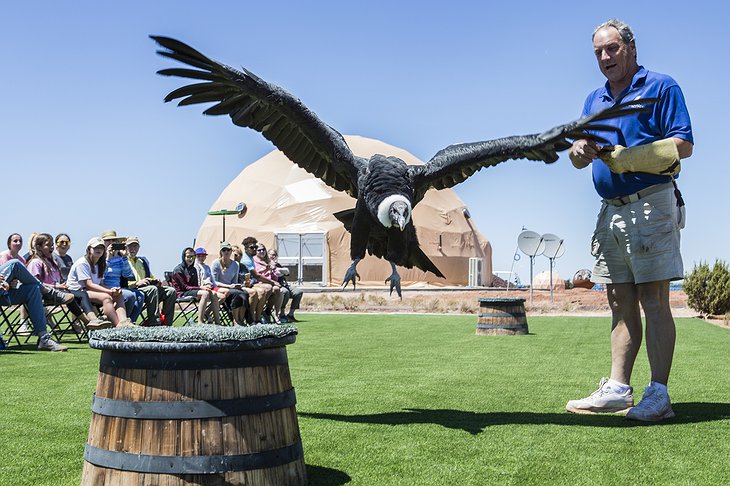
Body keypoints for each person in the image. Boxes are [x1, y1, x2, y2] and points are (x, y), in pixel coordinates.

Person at [566, 19, 693, 422]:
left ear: (631, 48)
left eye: (612, 49)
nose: (605, 58)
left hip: (651, 202)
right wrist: (579, 150)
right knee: (620, 304)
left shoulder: (661, 87)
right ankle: (619, 389)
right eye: (599, 53)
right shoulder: (594, 99)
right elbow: (577, 149)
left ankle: (659, 395)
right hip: (610, 211)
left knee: (654, 300)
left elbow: (683, 144)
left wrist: (629, 158)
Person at [26, 233, 111, 331]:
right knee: (80, 295)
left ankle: (91, 321)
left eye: (52, 245)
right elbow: (35, 283)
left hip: (59, 291)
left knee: (75, 296)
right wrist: (57, 287)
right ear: (38, 247)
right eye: (48, 245)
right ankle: (90, 321)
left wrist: (61, 285)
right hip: (45, 293)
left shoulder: (51, 262)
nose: (51, 247)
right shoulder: (36, 262)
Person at [0, 260, 68, 351]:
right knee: (15, 264)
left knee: (33, 289)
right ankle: (48, 292)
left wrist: (10, 281)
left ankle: (43, 339)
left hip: (4, 293)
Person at [66, 237, 133, 327]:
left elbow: (100, 284)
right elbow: (88, 285)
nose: (99, 250)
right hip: (78, 291)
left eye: (101, 248)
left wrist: (113, 289)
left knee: (118, 293)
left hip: (89, 290)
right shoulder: (82, 263)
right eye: (96, 248)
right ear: (89, 249)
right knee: (106, 297)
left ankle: (123, 321)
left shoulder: (100, 264)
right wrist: (109, 291)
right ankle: (117, 325)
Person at [125, 236, 177, 326]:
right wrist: (137, 283)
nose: (133, 249)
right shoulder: (123, 261)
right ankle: (154, 323)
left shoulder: (142, 261)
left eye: (135, 246)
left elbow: (151, 277)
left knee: (171, 291)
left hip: (147, 288)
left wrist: (156, 281)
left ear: (138, 248)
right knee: (152, 289)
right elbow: (121, 280)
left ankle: (167, 323)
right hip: (132, 288)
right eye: (130, 246)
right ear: (126, 247)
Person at [100, 230, 144, 323]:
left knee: (140, 295)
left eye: (113, 241)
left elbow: (126, 274)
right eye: (108, 241)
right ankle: (121, 321)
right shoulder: (100, 258)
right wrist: (108, 258)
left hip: (118, 288)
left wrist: (124, 257)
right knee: (129, 295)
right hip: (105, 288)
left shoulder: (119, 258)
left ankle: (130, 321)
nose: (111, 243)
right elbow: (101, 276)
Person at [171, 247, 221, 325]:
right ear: (184, 257)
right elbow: (185, 287)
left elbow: (195, 285)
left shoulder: (193, 269)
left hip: (191, 291)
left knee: (213, 293)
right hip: (181, 293)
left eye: (193, 257)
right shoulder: (178, 270)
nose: (190, 259)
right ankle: (200, 321)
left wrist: (204, 287)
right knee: (205, 293)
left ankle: (218, 322)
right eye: (188, 257)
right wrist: (201, 288)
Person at [211, 241, 250, 326]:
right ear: (221, 252)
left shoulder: (235, 264)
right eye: (224, 250)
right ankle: (235, 320)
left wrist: (240, 285)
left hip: (231, 288)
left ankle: (241, 319)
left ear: (231, 251)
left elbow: (234, 281)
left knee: (244, 293)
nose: (226, 252)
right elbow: (214, 282)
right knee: (237, 294)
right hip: (219, 288)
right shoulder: (216, 263)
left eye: (228, 250)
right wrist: (229, 286)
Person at [240, 237, 277, 323]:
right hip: (245, 284)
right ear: (245, 248)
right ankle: (252, 316)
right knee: (263, 290)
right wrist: (273, 282)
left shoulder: (250, 257)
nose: (254, 249)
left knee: (271, 288)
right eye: (251, 248)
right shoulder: (246, 260)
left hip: (252, 283)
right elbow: (257, 276)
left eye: (255, 247)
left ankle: (260, 315)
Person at [268, 248, 303, 322]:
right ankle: (282, 314)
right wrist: (278, 270)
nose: (273, 256)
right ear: (268, 255)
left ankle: (290, 315)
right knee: (285, 292)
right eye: (272, 255)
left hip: (285, 284)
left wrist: (279, 269)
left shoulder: (277, 265)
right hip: (277, 286)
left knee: (298, 292)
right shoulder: (266, 264)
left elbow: (287, 272)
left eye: (275, 255)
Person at [253, 243, 284, 324]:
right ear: (255, 251)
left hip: (270, 283)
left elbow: (275, 278)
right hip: (258, 283)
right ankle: (258, 314)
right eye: (259, 250)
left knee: (278, 290)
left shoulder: (268, 261)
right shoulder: (253, 261)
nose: (262, 251)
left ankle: (267, 311)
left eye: (263, 249)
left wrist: (272, 271)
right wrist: (264, 270)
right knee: (268, 288)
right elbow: (256, 276)